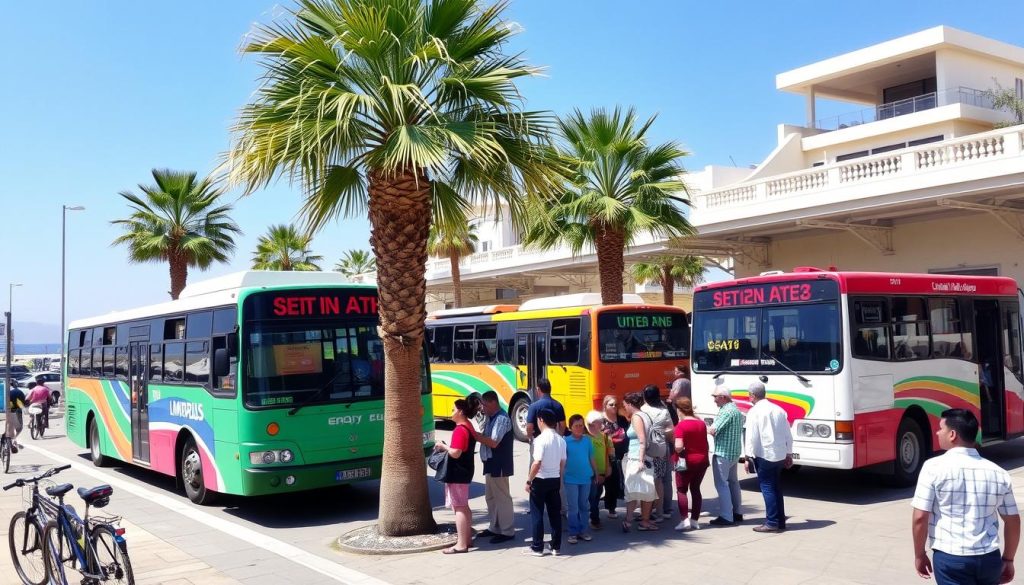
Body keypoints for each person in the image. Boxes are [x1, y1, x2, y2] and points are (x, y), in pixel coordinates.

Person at [911, 408, 1020, 585]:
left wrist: (919, 554)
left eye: (941, 429)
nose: (938, 433)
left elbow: (919, 518)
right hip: (989, 559)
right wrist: (1008, 559)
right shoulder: (999, 473)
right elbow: (1013, 520)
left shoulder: (932, 468)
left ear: (952, 434)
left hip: (951, 559)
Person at [433, 396, 481, 554]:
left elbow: (455, 453)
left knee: (459, 507)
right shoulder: (469, 425)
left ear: (460, 411)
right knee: (464, 506)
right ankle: (467, 540)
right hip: (466, 471)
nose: (451, 412)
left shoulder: (460, 429)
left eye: (453, 409)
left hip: (458, 472)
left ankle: (461, 544)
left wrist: (443, 446)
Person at [744, 381, 793, 533]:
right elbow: (787, 433)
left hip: (764, 454)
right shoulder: (778, 409)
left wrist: (747, 456)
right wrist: (789, 452)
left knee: (768, 488)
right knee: (776, 487)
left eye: (749, 395)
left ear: (753, 395)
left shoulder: (754, 411)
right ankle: (780, 520)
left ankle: (772, 522)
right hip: (778, 454)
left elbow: (751, 436)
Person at [473, 391, 515, 544]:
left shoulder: (502, 419)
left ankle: (507, 531)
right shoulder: (490, 418)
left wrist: (475, 436)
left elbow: (493, 442)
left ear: (492, 403)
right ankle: (495, 527)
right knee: (491, 497)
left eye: (484, 405)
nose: (482, 408)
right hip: (490, 463)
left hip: (500, 464)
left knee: (502, 497)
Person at [525, 409, 566, 557]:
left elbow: (537, 463)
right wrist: (560, 479)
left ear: (541, 420)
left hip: (540, 480)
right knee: (555, 514)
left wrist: (529, 480)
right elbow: (562, 463)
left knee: (537, 513)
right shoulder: (561, 440)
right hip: (554, 479)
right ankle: (556, 546)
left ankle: (537, 546)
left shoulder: (540, 440)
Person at [621, 392, 658, 532]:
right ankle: (641, 521)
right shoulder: (645, 415)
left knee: (636, 490)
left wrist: (640, 460)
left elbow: (642, 440)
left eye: (625, 405)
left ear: (630, 404)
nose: (624, 408)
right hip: (643, 457)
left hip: (638, 458)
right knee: (644, 491)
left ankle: (635, 521)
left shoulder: (636, 417)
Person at [708, 386, 744, 526]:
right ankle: (737, 512)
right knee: (733, 483)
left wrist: (698, 425)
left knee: (722, 484)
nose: (714, 400)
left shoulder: (726, 411)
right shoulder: (735, 409)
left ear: (722, 397)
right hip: (734, 452)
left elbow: (713, 430)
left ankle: (726, 516)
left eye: (715, 396)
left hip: (723, 452)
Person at [672, 397, 709, 531]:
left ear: (679, 409)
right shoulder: (701, 423)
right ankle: (694, 520)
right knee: (696, 489)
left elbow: (678, 446)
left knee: (682, 490)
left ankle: (684, 520)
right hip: (702, 461)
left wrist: (679, 448)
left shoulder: (681, 426)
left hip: (685, 462)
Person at [641, 384, 674, 521]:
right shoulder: (664, 410)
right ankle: (664, 510)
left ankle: (649, 511)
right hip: (661, 447)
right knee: (663, 480)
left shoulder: (642, 410)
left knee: (649, 480)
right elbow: (671, 430)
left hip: (646, 449)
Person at [564, 414, 597, 544]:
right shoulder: (565, 441)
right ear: (570, 427)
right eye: (576, 426)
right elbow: (562, 461)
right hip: (570, 479)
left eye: (581, 426)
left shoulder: (587, 441)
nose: (579, 428)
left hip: (585, 478)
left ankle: (584, 531)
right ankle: (573, 532)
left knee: (584, 505)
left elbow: (592, 458)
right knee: (573, 507)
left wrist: (596, 473)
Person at [600, 395, 629, 518]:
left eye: (616, 404)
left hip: (618, 454)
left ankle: (611, 508)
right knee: (600, 482)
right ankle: (594, 509)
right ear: (605, 406)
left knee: (614, 482)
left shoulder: (621, 419)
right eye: (611, 404)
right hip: (602, 454)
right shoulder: (600, 420)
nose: (614, 407)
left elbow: (627, 435)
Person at [585, 410, 612, 530]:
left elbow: (609, 454)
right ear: (592, 423)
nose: (602, 424)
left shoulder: (605, 437)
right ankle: (595, 519)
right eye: (599, 422)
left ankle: (593, 517)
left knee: (596, 496)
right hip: (590, 473)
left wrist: (608, 468)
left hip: (602, 472)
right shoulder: (585, 438)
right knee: (593, 497)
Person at [5, 380, 26, 453]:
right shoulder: (18, 392)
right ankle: (14, 440)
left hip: (6, 412)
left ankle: (10, 442)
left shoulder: (5, 391)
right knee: (19, 428)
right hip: (15, 411)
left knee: (8, 428)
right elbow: (22, 403)